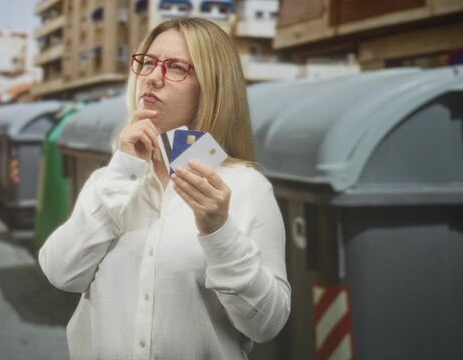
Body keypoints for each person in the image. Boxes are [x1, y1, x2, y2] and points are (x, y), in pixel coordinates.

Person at [39, 17, 291, 360]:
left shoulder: (248, 187)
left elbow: (267, 325)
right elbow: (60, 273)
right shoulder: (111, 179)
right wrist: (122, 170)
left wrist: (220, 232)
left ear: (211, 86)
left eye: (175, 67)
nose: (152, 77)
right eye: (146, 62)